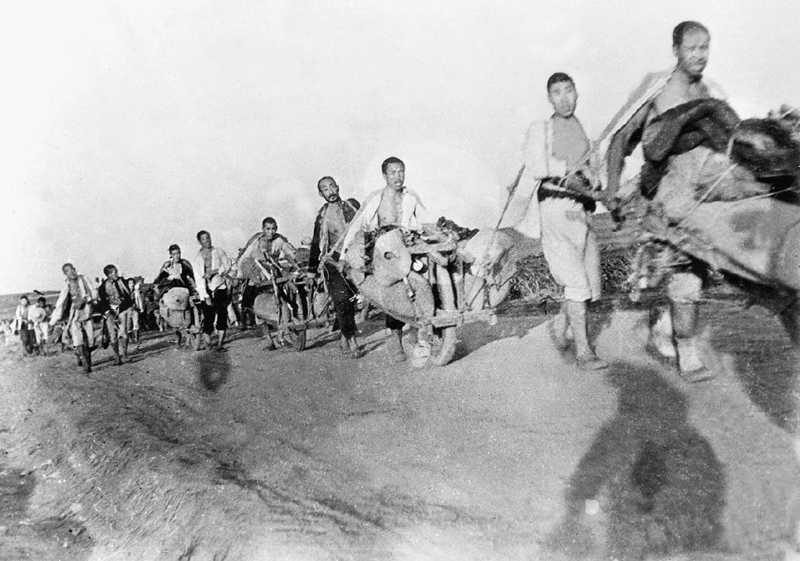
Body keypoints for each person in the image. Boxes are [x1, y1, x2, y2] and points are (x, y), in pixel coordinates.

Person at [600, 21, 722, 382]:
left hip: (703, 195)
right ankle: (688, 356)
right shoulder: (658, 87)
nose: (699, 55)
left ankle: (664, 324)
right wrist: (612, 187)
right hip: (666, 195)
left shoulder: (709, 92)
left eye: (705, 47)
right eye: (692, 48)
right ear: (676, 50)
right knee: (686, 277)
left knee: (702, 272)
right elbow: (622, 136)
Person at [511, 72, 607, 370]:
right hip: (556, 207)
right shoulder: (541, 129)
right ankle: (584, 352)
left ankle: (560, 326)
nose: (564, 98)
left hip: (583, 211)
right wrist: (569, 170)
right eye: (557, 92)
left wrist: (595, 179)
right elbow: (537, 166)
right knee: (575, 279)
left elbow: (596, 171)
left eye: (569, 90)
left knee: (588, 278)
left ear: (577, 92)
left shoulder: (583, 129)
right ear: (549, 98)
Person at [342, 156, 428, 362]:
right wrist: (345, 253)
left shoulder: (411, 197)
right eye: (392, 173)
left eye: (401, 171)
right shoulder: (377, 199)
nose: (398, 177)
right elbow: (357, 224)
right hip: (385, 248)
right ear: (384, 175)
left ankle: (424, 332)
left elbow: (424, 220)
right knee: (394, 290)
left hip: (409, 244)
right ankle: (396, 339)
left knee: (425, 280)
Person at [307, 176, 363, 358]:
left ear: (338, 187)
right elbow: (316, 244)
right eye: (325, 189)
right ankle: (352, 340)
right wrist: (311, 272)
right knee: (343, 298)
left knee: (353, 300)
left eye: (332, 187)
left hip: (353, 257)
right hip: (332, 261)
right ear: (320, 194)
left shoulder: (352, 207)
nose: (330, 191)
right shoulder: (322, 217)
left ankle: (344, 336)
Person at [238, 217, 301, 345]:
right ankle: (269, 340)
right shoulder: (256, 242)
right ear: (263, 229)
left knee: (285, 298)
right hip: (257, 274)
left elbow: (289, 253)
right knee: (255, 308)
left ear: (276, 228)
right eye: (268, 229)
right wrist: (245, 275)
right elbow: (244, 259)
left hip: (273, 273)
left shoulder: (279, 240)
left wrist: (295, 265)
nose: (270, 232)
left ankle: (281, 333)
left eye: (273, 229)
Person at [49, 263, 98, 373]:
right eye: (67, 271)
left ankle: (86, 358)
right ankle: (85, 363)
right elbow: (61, 302)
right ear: (65, 273)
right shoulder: (66, 285)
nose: (71, 272)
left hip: (87, 313)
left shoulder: (84, 278)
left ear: (75, 269)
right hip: (74, 316)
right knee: (77, 339)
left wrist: (85, 300)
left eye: (72, 269)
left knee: (90, 340)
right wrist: (53, 321)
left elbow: (94, 292)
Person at [191, 230, 232, 351]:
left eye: (208, 237)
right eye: (204, 239)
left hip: (220, 286)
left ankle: (220, 344)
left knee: (222, 314)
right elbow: (198, 278)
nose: (207, 240)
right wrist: (205, 295)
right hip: (206, 289)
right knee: (208, 316)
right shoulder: (198, 258)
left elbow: (227, 265)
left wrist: (214, 271)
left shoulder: (219, 251)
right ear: (200, 241)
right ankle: (208, 342)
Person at [97, 264, 134, 365]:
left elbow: (128, 293)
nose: (117, 274)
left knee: (124, 333)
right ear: (109, 274)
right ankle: (117, 357)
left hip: (122, 310)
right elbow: (101, 302)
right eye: (115, 272)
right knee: (113, 335)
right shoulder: (102, 287)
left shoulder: (121, 282)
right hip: (110, 313)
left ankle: (124, 355)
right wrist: (107, 312)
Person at [126, 278, 143, 345]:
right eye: (130, 283)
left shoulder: (136, 292)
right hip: (127, 311)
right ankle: (131, 339)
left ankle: (137, 339)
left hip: (135, 310)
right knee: (128, 326)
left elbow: (139, 300)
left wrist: (141, 308)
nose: (131, 284)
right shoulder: (125, 292)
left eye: (133, 283)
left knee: (136, 324)